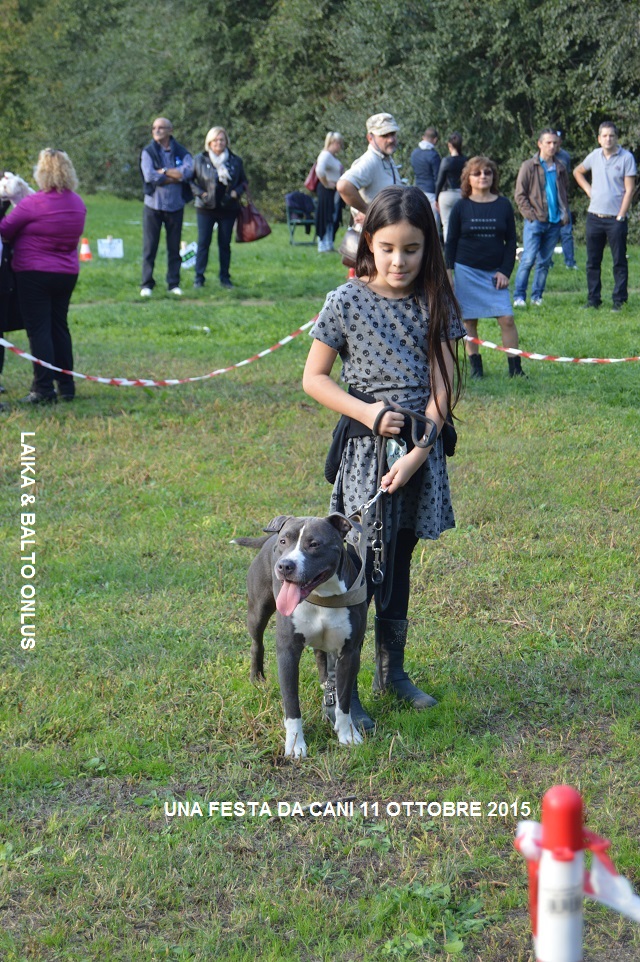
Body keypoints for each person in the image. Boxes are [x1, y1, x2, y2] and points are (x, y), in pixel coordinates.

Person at [303, 185, 464, 731]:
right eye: (389, 247)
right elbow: (313, 378)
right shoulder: (345, 301)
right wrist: (370, 415)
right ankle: (336, 690)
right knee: (354, 567)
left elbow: (443, 384)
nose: (400, 261)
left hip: (420, 455)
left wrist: (421, 451)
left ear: (428, 247)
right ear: (369, 242)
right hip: (364, 457)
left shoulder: (436, 296)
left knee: (398, 561)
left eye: (412, 249)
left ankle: (391, 671)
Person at [0, 149, 86, 404]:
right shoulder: (77, 203)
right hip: (66, 273)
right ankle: (67, 385)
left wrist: (6, 200)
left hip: (34, 273)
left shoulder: (34, 203)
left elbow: (4, 229)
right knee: (60, 327)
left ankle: (43, 388)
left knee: (39, 331)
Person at [445, 156, 522, 378]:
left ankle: (515, 369)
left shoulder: (503, 204)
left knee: (506, 319)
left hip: (495, 273)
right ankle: (476, 368)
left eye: (487, 172)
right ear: (468, 178)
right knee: (469, 320)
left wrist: (505, 271)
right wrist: (449, 272)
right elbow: (451, 242)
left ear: (493, 177)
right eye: (477, 173)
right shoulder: (460, 206)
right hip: (466, 270)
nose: (483, 177)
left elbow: (511, 243)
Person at [573, 121, 637, 312]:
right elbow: (577, 171)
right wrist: (588, 190)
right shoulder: (594, 155)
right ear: (599, 139)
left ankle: (619, 301)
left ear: (617, 138)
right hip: (594, 216)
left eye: (611, 135)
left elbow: (630, 189)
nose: (608, 139)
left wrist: (621, 215)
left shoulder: (626, 158)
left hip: (615, 218)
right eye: (604, 136)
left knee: (619, 261)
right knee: (592, 261)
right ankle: (593, 300)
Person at [513, 129, 570, 307]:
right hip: (535, 221)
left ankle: (537, 296)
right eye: (548, 143)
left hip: (554, 223)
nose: (552, 146)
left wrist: (565, 214)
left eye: (555, 143)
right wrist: (530, 216)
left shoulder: (560, 167)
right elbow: (519, 195)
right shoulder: (529, 166)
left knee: (544, 262)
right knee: (528, 259)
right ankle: (519, 297)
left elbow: (565, 192)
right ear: (540, 144)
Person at [139, 118, 193, 297]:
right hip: (153, 205)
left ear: (170, 130)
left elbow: (187, 173)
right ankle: (147, 284)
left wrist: (162, 171)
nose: (157, 131)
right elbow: (149, 176)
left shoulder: (182, 151)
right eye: (154, 127)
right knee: (150, 247)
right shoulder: (148, 151)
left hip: (175, 205)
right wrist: (172, 176)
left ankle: (173, 284)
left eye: (161, 128)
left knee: (173, 247)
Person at [191, 127, 247, 289]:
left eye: (222, 139)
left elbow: (244, 181)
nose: (219, 143)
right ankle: (199, 278)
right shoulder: (200, 160)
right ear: (209, 142)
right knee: (203, 243)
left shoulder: (235, 160)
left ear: (226, 142)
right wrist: (201, 194)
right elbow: (190, 181)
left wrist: (237, 191)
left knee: (224, 244)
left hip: (228, 207)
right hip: (205, 207)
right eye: (215, 140)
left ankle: (225, 278)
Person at [337, 113, 401, 217]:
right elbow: (344, 186)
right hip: (370, 231)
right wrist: (368, 212)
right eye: (384, 135)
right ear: (370, 138)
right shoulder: (370, 161)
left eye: (392, 134)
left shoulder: (385, 157)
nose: (391, 139)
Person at [435, 132, 467, 242]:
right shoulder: (466, 161)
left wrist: (436, 198)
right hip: (462, 194)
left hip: (447, 194)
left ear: (449, 145)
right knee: (462, 223)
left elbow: (440, 181)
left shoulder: (446, 161)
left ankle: (449, 252)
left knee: (447, 224)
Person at [315, 132, 344, 252]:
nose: (340, 146)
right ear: (333, 143)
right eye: (339, 144)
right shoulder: (325, 155)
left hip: (334, 191)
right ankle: (322, 245)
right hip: (326, 190)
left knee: (332, 217)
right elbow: (319, 170)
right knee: (325, 217)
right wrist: (326, 183)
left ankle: (329, 244)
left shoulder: (332, 157)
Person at [555, 130, 578, 269]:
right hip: (545, 203)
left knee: (566, 232)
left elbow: (567, 178)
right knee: (546, 233)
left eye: (557, 141)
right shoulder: (538, 157)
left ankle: (570, 263)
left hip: (562, 201)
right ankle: (546, 263)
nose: (554, 145)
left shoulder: (565, 156)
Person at [411, 126, 441, 225]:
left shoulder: (414, 153)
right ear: (435, 139)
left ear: (423, 137)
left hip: (418, 190)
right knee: (433, 223)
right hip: (431, 192)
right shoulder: (433, 155)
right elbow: (438, 177)